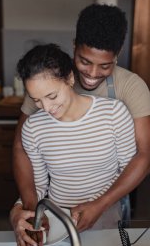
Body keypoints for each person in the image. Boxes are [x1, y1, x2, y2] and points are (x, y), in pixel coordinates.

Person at [11, 3, 150, 244]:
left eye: (105, 65)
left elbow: (146, 156)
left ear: (117, 54)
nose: (91, 73)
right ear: (74, 47)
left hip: (109, 205)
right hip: (57, 210)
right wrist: (27, 208)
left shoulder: (128, 90)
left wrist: (101, 203)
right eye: (84, 61)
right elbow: (22, 147)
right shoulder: (45, 83)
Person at [14, 43, 136, 245]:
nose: (46, 108)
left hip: (105, 216)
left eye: (51, 96)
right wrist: (21, 210)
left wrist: (98, 205)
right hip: (57, 219)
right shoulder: (33, 129)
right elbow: (39, 184)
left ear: (70, 78)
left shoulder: (114, 113)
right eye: (36, 100)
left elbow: (128, 170)